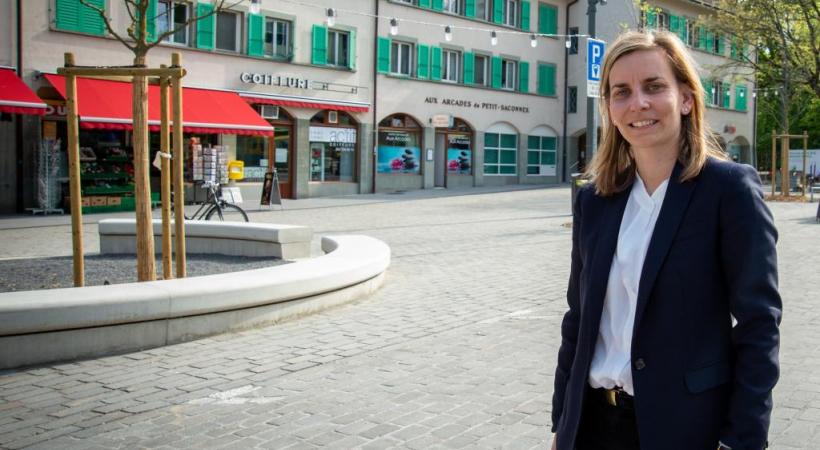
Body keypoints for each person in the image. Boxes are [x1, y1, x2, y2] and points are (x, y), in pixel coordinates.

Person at [551, 30, 781, 450]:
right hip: (593, 425)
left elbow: (759, 324)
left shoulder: (727, 190)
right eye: (621, 92)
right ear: (609, 108)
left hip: (685, 427)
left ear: (687, 98)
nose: (637, 103)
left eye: (654, 86)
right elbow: (578, 318)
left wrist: (742, 440)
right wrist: (561, 422)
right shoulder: (595, 200)